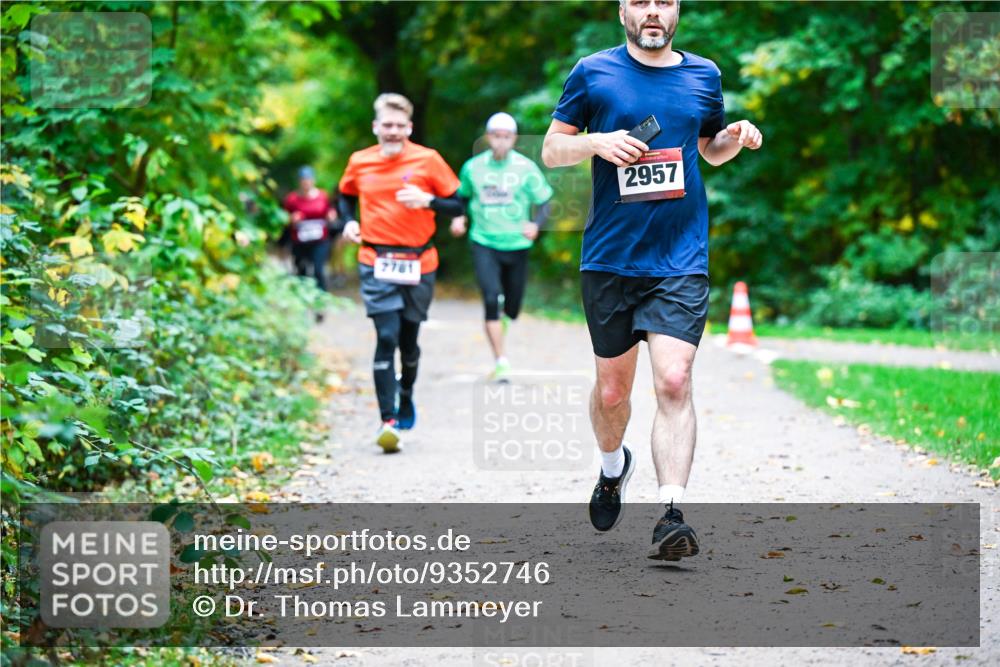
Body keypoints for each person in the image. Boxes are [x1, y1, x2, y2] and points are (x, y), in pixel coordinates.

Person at [541, 0, 763, 560]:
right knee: (612, 392)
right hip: (610, 259)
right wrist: (595, 142)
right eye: (641, 1)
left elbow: (709, 150)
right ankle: (612, 467)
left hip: (680, 259)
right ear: (623, 11)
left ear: (677, 10)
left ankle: (671, 514)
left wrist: (734, 136)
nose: (653, 12)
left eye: (664, 1)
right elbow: (551, 149)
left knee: (674, 380)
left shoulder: (704, 74)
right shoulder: (593, 72)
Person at [337, 93, 464, 453]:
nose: (392, 131)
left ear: (408, 128)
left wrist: (429, 201)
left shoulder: (428, 160)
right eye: (386, 125)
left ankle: (405, 393)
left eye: (399, 126)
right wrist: (347, 221)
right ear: (375, 127)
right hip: (375, 258)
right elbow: (343, 195)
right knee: (386, 336)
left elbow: (458, 203)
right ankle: (387, 420)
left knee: (408, 341)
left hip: (419, 262)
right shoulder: (360, 161)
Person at [450, 112, 554, 381]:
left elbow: (545, 201)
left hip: (516, 243)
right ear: (488, 138)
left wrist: (536, 225)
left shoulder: (525, 167)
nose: (501, 141)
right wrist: (458, 218)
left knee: (513, 307)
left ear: (514, 139)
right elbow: (460, 198)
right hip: (483, 241)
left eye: (507, 137)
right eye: (496, 136)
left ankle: (502, 324)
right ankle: (501, 360)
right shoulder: (473, 167)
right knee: (491, 297)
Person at [281, 166, 339, 300]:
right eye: (303, 180)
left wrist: (331, 216)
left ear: (313, 180)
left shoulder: (323, 196)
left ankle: (321, 297)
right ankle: (303, 299)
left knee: (318, 269)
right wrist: (291, 219)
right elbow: (283, 218)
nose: (306, 183)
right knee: (301, 269)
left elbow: (330, 211)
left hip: (320, 240)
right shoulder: (292, 199)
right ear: (299, 182)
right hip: (300, 241)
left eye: (308, 180)